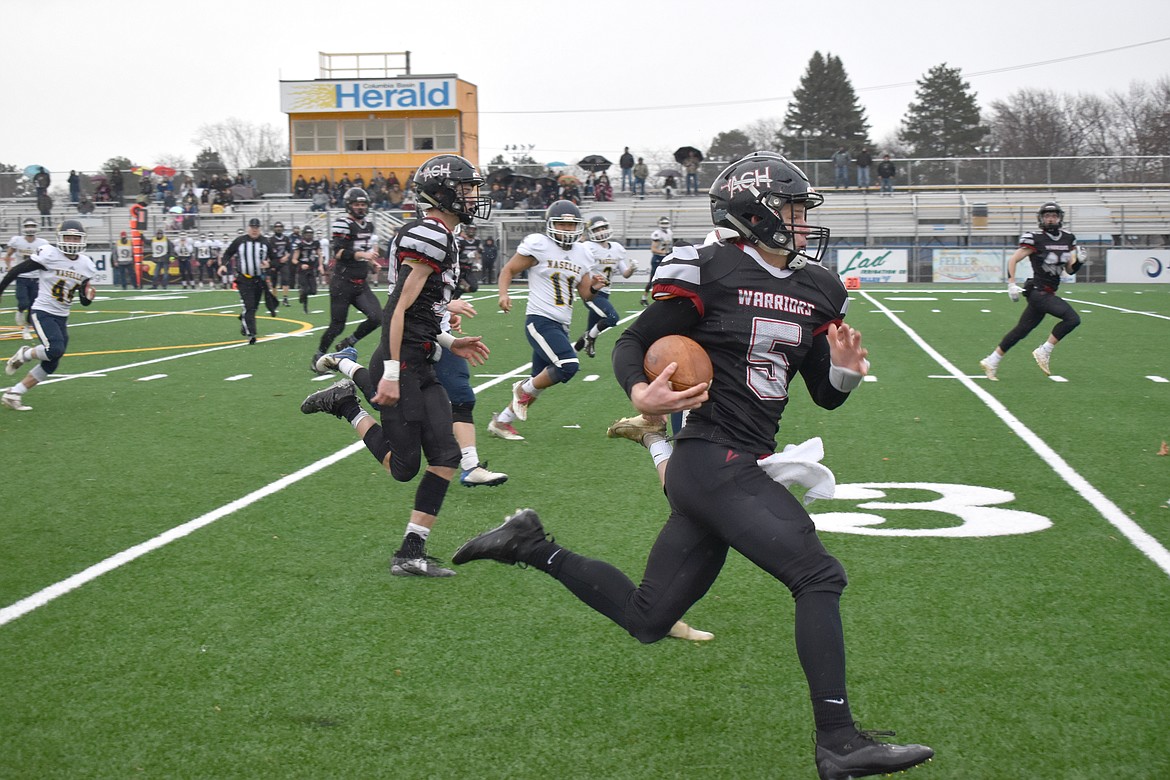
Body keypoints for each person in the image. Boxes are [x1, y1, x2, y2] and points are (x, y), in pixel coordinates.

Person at [453, 152, 934, 780]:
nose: (800, 220)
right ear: (753, 212)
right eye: (790, 208)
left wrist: (843, 370)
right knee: (819, 575)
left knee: (649, 618)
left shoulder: (817, 285)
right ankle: (839, 742)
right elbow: (633, 340)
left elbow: (823, 392)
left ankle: (529, 545)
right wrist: (639, 393)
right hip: (713, 457)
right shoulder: (708, 269)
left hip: (732, 462)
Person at [299, 153, 495, 577]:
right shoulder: (432, 235)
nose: (476, 196)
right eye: (468, 188)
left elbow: (422, 312)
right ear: (444, 193)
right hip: (402, 359)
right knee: (404, 469)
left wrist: (448, 338)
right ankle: (345, 405)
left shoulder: (444, 236)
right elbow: (397, 308)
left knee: (446, 455)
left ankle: (411, 551)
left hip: (422, 357)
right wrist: (389, 371)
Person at [487, 200, 606, 442]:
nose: (566, 229)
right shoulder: (539, 245)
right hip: (540, 319)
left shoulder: (583, 253)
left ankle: (501, 422)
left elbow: (585, 294)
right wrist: (503, 294)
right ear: (550, 224)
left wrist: (595, 286)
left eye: (571, 225)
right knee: (568, 365)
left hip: (561, 323)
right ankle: (521, 389)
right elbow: (508, 270)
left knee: (538, 381)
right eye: (561, 223)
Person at [980, 202, 1085, 381]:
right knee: (1072, 319)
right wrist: (1011, 283)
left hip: (1048, 292)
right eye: (1047, 216)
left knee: (1022, 330)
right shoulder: (1035, 238)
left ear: (1060, 217)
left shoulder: (1067, 238)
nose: (1050, 219)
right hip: (1038, 291)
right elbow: (1013, 260)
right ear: (1041, 218)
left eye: (1053, 215)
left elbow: (1069, 270)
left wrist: (1079, 262)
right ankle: (1044, 351)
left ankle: (992, 360)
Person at [2, 220, 98, 411]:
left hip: (62, 315)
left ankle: (15, 393)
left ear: (82, 239)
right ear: (60, 238)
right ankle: (25, 354)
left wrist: (88, 298)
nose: (71, 241)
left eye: (75, 237)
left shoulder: (86, 264)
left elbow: (83, 299)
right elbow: (17, 270)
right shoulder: (49, 253)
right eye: (68, 237)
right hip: (43, 311)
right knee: (54, 349)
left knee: (53, 361)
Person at [311, 187, 383, 372]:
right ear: (349, 206)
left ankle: (349, 342)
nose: (360, 208)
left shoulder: (368, 225)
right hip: (342, 283)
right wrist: (363, 255)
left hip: (360, 283)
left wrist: (371, 262)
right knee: (337, 325)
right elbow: (340, 252)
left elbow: (363, 253)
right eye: (356, 204)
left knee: (377, 317)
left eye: (362, 204)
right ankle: (319, 355)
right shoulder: (342, 223)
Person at [574, 215, 637, 358]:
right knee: (613, 318)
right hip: (592, 293)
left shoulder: (616, 248)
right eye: (597, 229)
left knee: (590, 329)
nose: (601, 231)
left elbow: (625, 274)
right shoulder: (588, 248)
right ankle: (590, 338)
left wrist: (632, 268)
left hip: (606, 293)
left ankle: (573, 353)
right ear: (590, 232)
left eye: (603, 228)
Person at [221, 218, 277, 345]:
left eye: (256, 228)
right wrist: (223, 264)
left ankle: (244, 319)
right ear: (248, 228)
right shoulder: (240, 241)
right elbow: (228, 253)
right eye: (252, 227)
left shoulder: (265, 242)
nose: (254, 230)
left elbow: (275, 260)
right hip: (244, 279)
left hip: (258, 280)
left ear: (260, 229)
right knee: (249, 306)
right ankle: (251, 334)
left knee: (254, 307)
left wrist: (269, 264)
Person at [4, 219, 48, 339]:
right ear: (24, 227)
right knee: (23, 302)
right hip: (22, 276)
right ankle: (19, 310)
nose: (30, 228)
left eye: (32, 225)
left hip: (36, 277)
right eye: (28, 226)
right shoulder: (17, 241)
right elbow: (8, 255)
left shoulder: (42, 243)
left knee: (33, 305)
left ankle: (26, 329)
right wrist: (9, 268)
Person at [292, 224, 324, 313]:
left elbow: (320, 255)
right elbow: (294, 259)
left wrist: (320, 265)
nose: (309, 236)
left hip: (312, 268)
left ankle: (302, 293)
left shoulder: (316, 243)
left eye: (310, 234)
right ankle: (305, 308)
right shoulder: (300, 244)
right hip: (302, 270)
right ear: (303, 235)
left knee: (314, 291)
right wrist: (300, 264)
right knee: (305, 290)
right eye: (307, 234)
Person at [641, 216, 673, 307]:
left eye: (666, 223)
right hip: (658, 258)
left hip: (665, 257)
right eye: (663, 223)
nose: (664, 225)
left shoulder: (669, 233)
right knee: (653, 280)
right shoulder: (657, 234)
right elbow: (653, 249)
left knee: (667, 278)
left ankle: (666, 296)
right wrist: (664, 252)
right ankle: (644, 298)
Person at [267, 221, 294, 306]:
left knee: (285, 280)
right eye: (277, 227)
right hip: (274, 261)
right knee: (274, 281)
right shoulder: (271, 239)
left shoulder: (286, 239)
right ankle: (274, 299)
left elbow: (290, 251)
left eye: (280, 227)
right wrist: (271, 263)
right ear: (274, 228)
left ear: (282, 228)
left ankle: (285, 298)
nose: (278, 228)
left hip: (283, 261)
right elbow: (269, 253)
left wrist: (286, 257)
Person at [456, 223, 482, 293]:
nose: (471, 231)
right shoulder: (459, 240)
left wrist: (478, 263)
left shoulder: (477, 241)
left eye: (473, 229)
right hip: (458, 268)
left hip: (468, 268)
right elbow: (454, 255)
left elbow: (478, 253)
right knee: (454, 288)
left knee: (474, 287)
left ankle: (460, 291)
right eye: (470, 229)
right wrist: (466, 256)